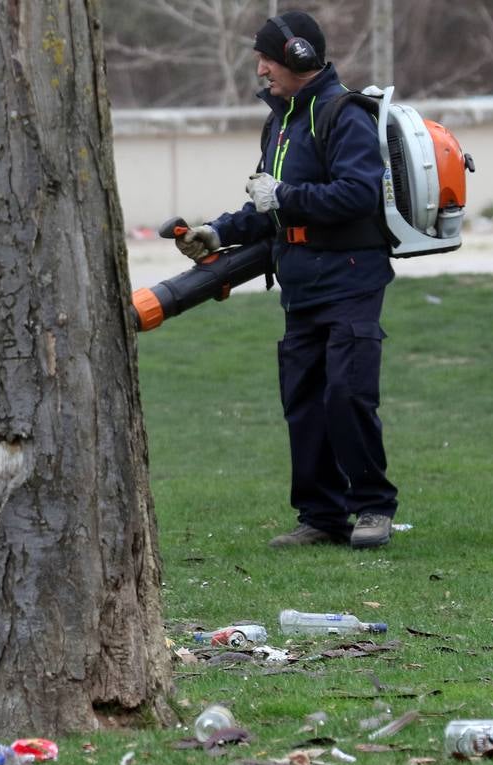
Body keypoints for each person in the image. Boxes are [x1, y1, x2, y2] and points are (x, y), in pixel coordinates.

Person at [174, 10, 397, 550]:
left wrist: (287, 198)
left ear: (298, 57)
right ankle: (320, 517)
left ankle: (372, 508)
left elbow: (358, 193)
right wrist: (216, 231)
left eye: (267, 59)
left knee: (346, 393)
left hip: (349, 277)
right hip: (301, 284)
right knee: (303, 400)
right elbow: (264, 204)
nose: (261, 70)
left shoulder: (344, 114)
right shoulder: (280, 121)